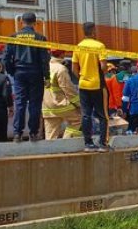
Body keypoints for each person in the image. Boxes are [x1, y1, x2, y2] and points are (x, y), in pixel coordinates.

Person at [2, 11, 50, 142]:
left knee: (20, 103)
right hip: (36, 74)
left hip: (20, 73)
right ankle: (33, 133)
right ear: (35, 23)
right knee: (35, 104)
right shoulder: (40, 38)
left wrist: (13, 72)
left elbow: (6, 58)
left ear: (21, 22)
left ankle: (17, 133)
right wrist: (47, 77)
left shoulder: (13, 37)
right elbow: (44, 60)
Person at [72, 22, 109, 152]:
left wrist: (82, 77)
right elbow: (104, 66)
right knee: (102, 115)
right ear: (93, 31)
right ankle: (103, 143)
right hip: (97, 85)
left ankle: (88, 143)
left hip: (83, 84)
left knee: (86, 114)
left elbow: (74, 68)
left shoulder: (78, 47)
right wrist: (99, 74)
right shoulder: (99, 46)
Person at [42, 49, 81, 139]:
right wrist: (78, 104)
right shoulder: (61, 69)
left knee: (51, 134)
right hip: (61, 104)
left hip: (47, 107)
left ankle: (52, 151)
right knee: (77, 120)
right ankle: (67, 142)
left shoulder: (45, 67)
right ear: (62, 54)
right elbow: (68, 89)